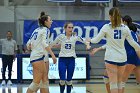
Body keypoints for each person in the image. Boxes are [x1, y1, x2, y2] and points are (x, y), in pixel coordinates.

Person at [88, 7, 140, 93]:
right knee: (120, 83)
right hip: (122, 58)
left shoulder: (106, 27)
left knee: (113, 83)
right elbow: (133, 43)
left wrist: (89, 40)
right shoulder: (125, 28)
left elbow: (95, 40)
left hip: (110, 57)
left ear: (110, 16)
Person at [50, 22, 90, 93]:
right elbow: (52, 44)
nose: (71, 29)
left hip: (71, 60)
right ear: (65, 28)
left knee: (69, 80)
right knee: (62, 80)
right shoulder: (60, 36)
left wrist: (87, 45)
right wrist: (49, 48)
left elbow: (86, 41)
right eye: (69, 27)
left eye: (72, 27)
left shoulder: (75, 37)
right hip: (62, 60)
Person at [26, 12, 57, 93]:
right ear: (45, 21)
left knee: (44, 79)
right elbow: (44, 43)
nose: (52, 21)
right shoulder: (46, 30)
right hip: (38, 57)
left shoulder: (37, 30)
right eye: (50, 20)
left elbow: (29, 43)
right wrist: (53, 55)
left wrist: (29, 46)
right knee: (36, 82)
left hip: (38, 56)